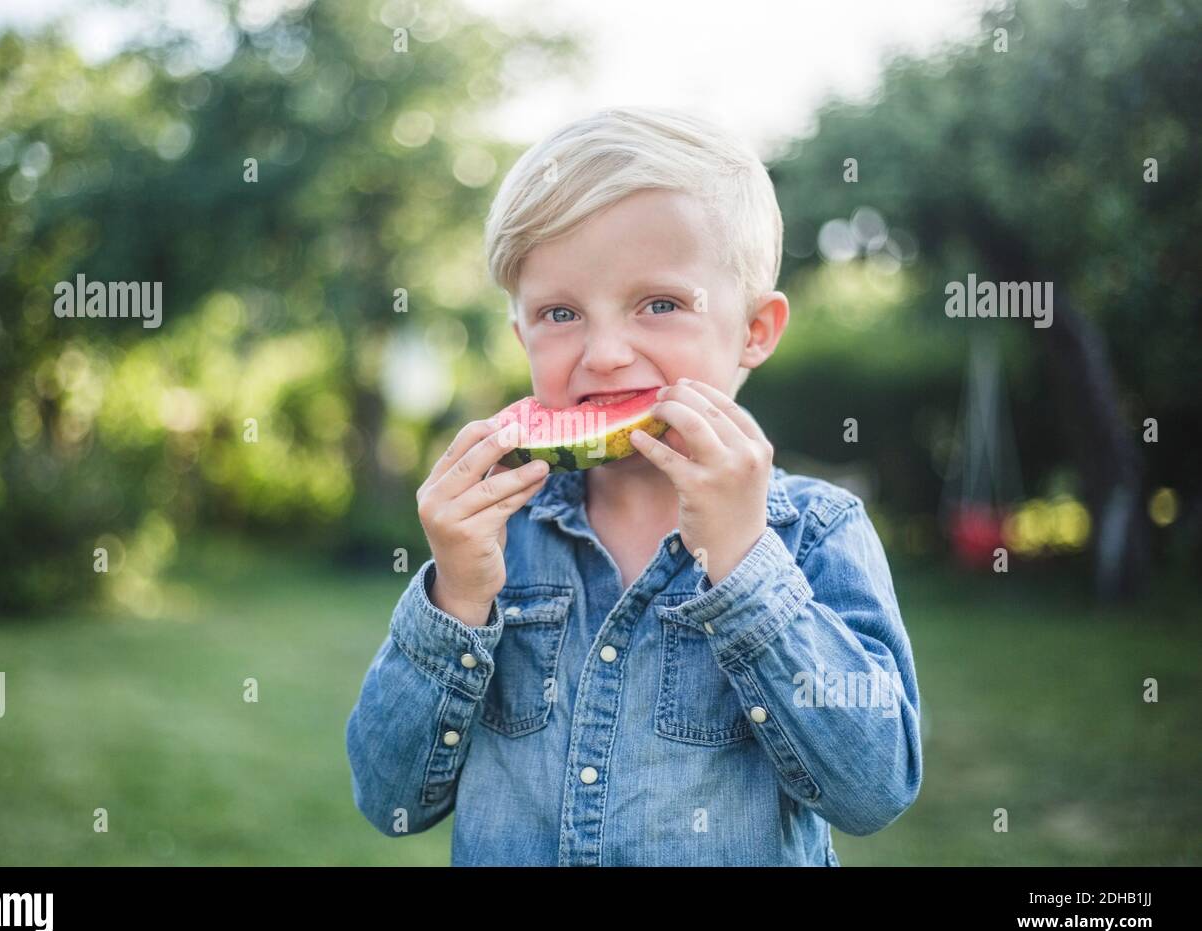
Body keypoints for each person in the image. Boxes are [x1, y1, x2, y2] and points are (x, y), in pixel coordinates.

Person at [346, 106, 922, 865]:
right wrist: (455, 597)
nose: (607, 353)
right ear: (522, 337)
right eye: (560, 313)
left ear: (755, 329)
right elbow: (391, 801)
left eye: (661, 304)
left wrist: (747, 565)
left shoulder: (815, 531)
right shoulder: (495, 538)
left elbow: (873, 786)